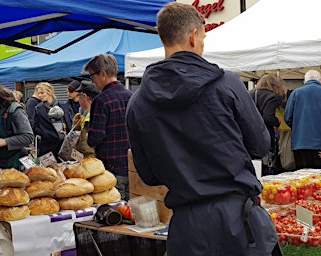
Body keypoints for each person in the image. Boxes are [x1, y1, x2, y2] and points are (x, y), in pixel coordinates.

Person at [126, 3, 281, 256]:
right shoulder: (226, 83)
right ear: (193, 35)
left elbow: (148, 175)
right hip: (237, 223)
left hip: (187, 227)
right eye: (204, 37)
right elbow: (260, 145)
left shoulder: (137, 101)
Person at [83, 53, 132, 201]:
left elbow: (95, 137)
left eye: (92, 77)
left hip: (110, 169)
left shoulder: (101, 100)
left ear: (103, 73)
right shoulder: (131, 95)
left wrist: (87, 137)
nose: (92, 81)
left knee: (115, 212)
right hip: (132, 166)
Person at [284, 70, 321, 169]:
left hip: (299, 145)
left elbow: (287, 117)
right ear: (320, 81)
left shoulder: (296, 93)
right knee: (320, 181)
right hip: (319, 147)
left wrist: (298, 127)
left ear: (304, 81)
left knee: (302, 181)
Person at [249, 74, 285, 175]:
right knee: (267, 165)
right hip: (264, 136)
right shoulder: (272, 97)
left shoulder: (250, 93)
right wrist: (277, 122)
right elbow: (268, 118)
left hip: (249, 135)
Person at [33, 82, 72, 159]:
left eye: (42, 93)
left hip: (63, 144)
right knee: (48, 169)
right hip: (47, 144)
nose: (40, 95)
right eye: (38, 93)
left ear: (49, 92)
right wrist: (44, 134)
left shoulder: (64, 105)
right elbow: (35, 126)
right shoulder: (38, 108)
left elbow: (69, 122)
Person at [71, 81, 99, 158]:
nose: (77, 100)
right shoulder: (86, 113)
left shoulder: (94, 114)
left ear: (85, 96)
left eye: (78, 96)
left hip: (92, 159)